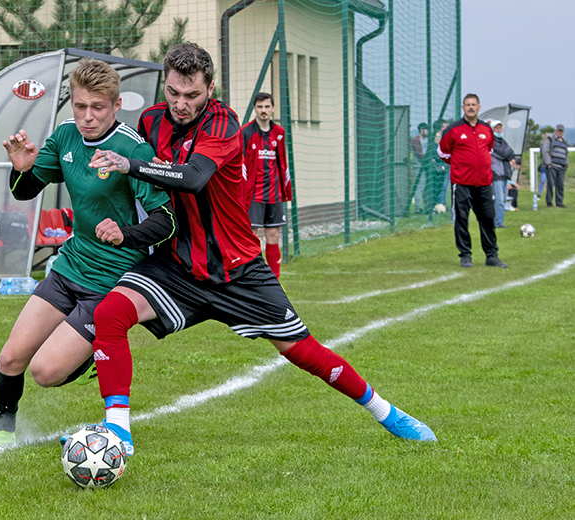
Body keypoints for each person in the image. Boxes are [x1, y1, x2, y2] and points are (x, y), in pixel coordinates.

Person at [84, 42, 436, 456]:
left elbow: (193, 177)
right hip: (179, 264)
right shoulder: (150, 121)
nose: (180, 104)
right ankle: (118, 434)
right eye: (173, 92)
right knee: (110, 313)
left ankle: (387, 413)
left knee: (303, 352)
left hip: (239, 268)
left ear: (210, 88)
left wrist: (132, 165)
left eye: (192, 95)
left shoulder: (224, 123)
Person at [0, 58, 176, 448]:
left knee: (46, 372)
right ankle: (1, 431)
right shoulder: (66, 135)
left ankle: (95, 348)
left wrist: (125, 234)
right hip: (70, 268)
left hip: (110, 283)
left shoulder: (133, 149)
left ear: (116, 106)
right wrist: (21, 168)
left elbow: (166, 220)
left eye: (98, 107)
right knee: (12, 358)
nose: (87, 116)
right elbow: (25, 190)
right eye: (80, 106)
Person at [437, 93, 507, 268]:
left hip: (484, 183)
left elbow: (488, 150)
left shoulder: (487, 129)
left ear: (479, 107)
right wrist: (460, 165)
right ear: (463, 107)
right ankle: (465, 255)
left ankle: (492, 255)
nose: (470, 107)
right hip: (462, 183)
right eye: (467, 104)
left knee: (488, 219)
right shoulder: (453, 129)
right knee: (462, 219)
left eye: (473, 105)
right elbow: (442, 152)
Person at [240, 92, 292, 279]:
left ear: (273, 109)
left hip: (274, 193)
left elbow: (282, 163)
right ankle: (254, 279)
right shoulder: (245, 132)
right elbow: (240, 165)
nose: (263, 110)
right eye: (260, 107)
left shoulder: (279, 133)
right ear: (255, 108)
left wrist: (285, 188)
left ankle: (275, 281)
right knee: (252, 238)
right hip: (253, 195)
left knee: (274, 236)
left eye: (267, 107)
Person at [489, 120, 515, 228]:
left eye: (500, 128)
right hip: (497, 174)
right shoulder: (491, 142)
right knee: (499, 200)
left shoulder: (503, 141)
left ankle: (500, 222)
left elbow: (511, 152)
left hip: (504, 174)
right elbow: (504, 153)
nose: (499, 130)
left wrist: (508, 155)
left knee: (503, 200)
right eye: (496, 128)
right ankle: (497, 223)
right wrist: (508, 156)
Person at [541, 124, 569, 208]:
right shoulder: (550, 139)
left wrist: (566, 164)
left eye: (561, 131)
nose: (560, 132)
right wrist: (548, 163)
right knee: (550, 184)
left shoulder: (564, 142)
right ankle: (549, 202)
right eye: (559, 130)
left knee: (560, 185)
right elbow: (545, 151)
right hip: (552, 165)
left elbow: (566, 154)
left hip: (562, 167)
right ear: (556, 130)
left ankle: (559, 202)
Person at [412, 122, 429, 213]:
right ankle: (418, 208)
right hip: (419, 166)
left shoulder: (428, 139)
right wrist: (429, 157)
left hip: (427, 166)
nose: (428, 131)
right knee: (420, 187)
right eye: (426, 129)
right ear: (421, 130)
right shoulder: (416, 140)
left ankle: (427, 207)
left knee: (427, 187)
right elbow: (419, 154)